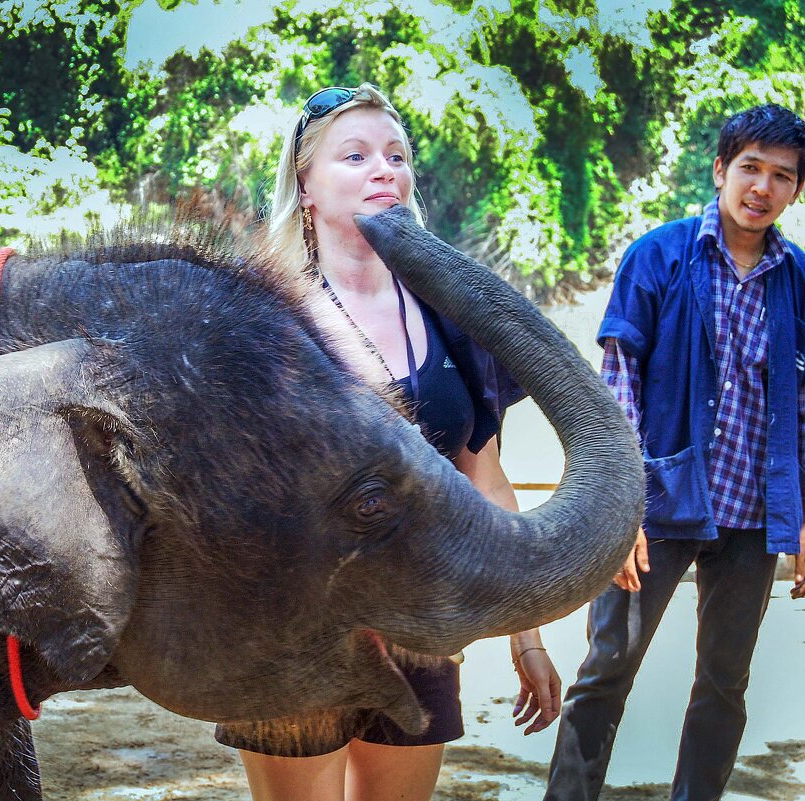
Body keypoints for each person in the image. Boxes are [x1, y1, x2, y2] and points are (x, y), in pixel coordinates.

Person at [214, 83, 561, 801]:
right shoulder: (258, 318)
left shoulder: (446, 313)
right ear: (305, 184)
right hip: (292, 632)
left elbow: (481, 475)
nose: (386, 170)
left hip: (419, 626)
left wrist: (525, 634)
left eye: (397, 156)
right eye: (356, 155)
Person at [544, 103, 805, 801]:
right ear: (720, 169)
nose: (761, 186)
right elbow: (616, 387)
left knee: (724, 682)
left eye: (781, 176)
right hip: (656, 510)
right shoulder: (657, 255)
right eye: (749, 167)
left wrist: (800, 516)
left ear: (794, 191)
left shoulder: (797, 280)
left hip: (751, 515)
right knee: (607, 668)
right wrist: (619, 509)